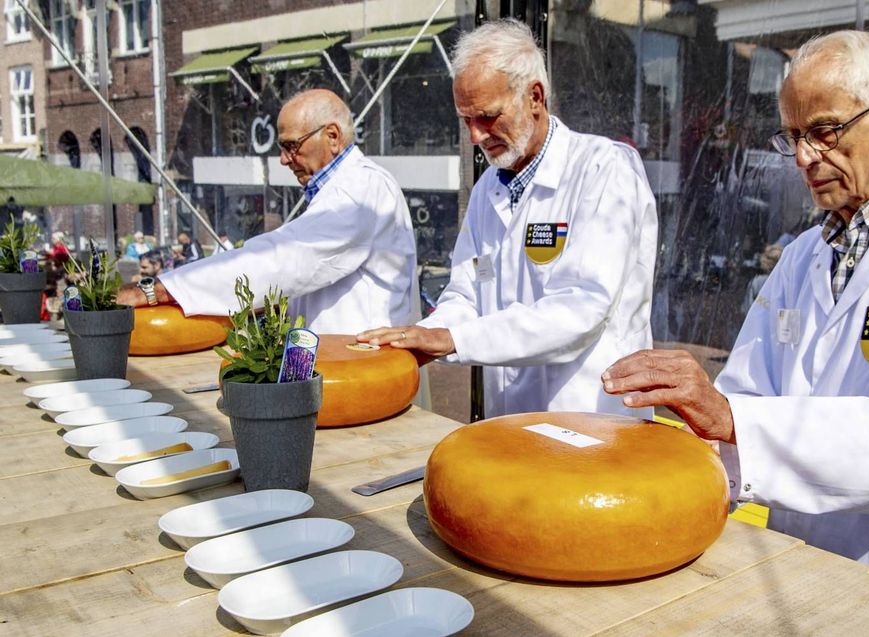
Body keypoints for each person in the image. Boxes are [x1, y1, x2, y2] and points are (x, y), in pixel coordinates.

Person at [601, 31, 869, 637]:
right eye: (792, 137)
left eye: (824, 131)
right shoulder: (802, 256)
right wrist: (654, 480)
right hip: (802, 575)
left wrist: (732, 417)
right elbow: (746, 396)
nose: (803, 158)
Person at [358, 19, 658, 418]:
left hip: (592, 418)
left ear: (535, 96)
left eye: (487, 116)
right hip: (510, 425)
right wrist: (424, 337)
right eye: (466, 120)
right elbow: (466, 293)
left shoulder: (604, 169)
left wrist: (453, 339)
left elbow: (581, 310)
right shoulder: (488, 189)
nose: (476, 137)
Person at [116, 88, 417, 334]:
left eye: (291, 146)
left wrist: (159, 290)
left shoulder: (360, 189)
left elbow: (282, 260)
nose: (284, 160)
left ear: (333, 137)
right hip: (345, 370)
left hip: (361, 379)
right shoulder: (348, 187)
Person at [740, 242, 783, 315]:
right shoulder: (782, 284)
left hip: (756, 323)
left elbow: (748, 308)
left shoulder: (757, 281)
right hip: (772, 323)